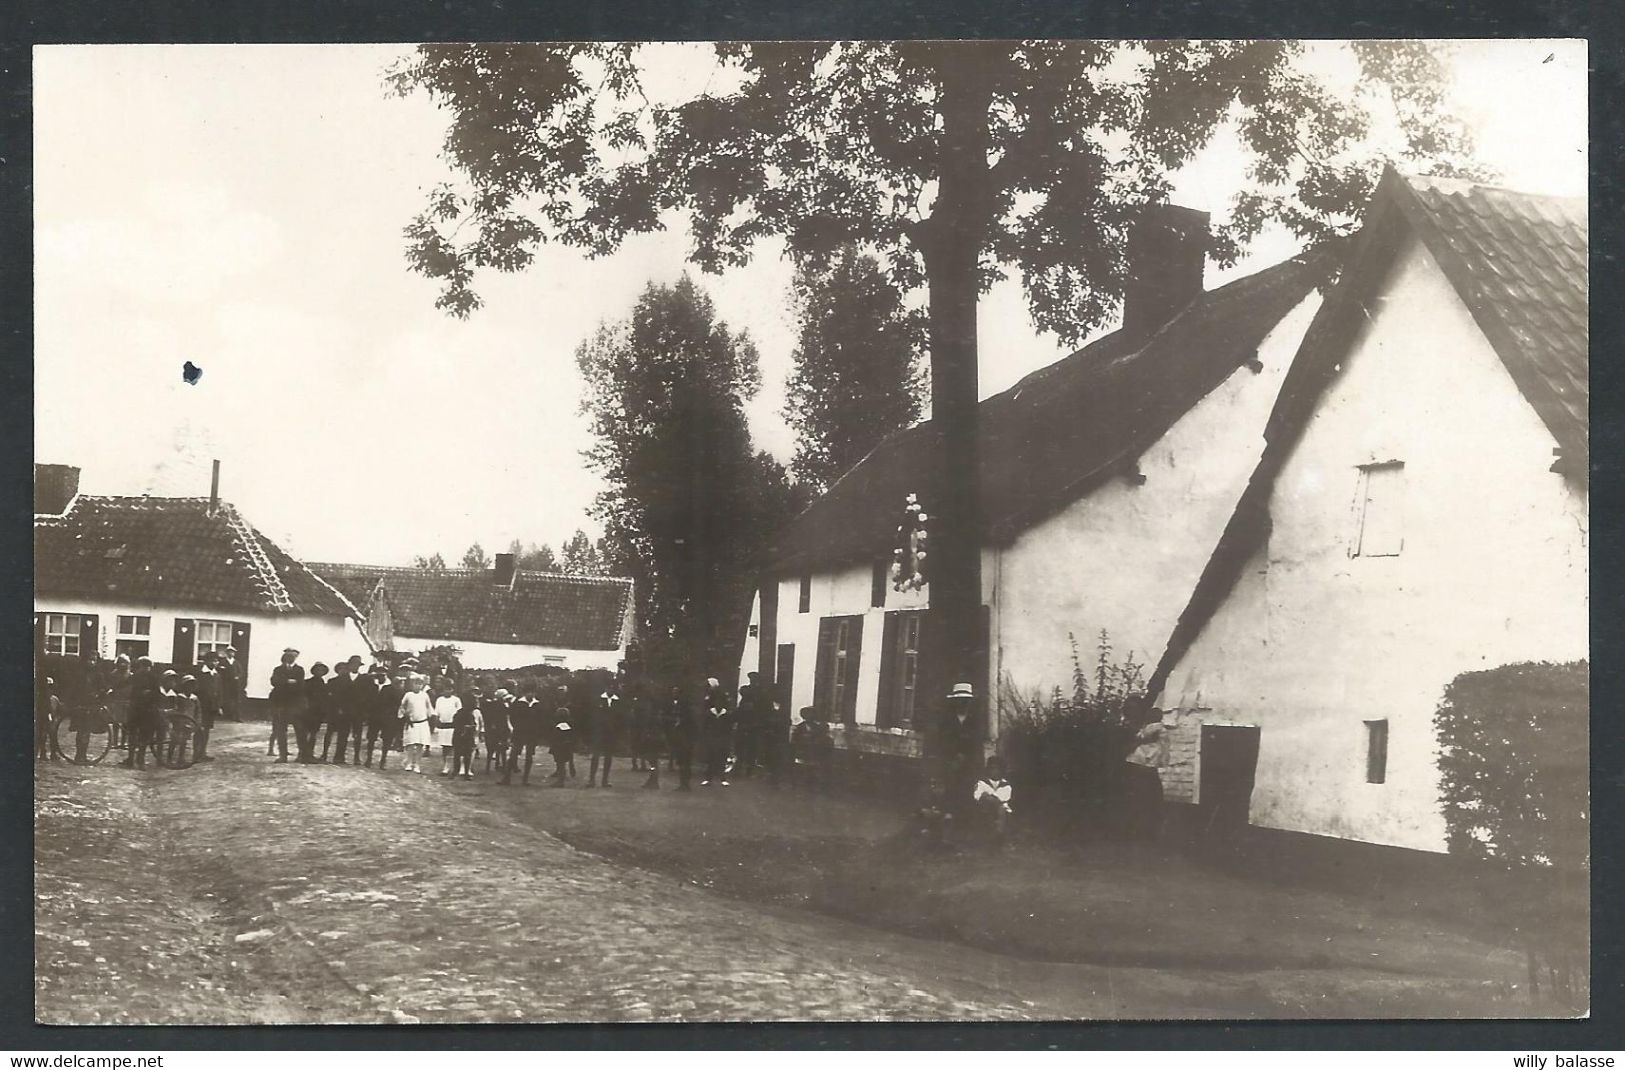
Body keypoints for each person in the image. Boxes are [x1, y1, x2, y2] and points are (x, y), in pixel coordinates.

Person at [934, 682, 983, 816]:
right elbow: (941, 742)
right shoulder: (946, 721)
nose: (963, 703)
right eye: (960, 700)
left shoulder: (975, 721)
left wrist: (966, 757)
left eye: (966, 701)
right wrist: (952, 758)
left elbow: (977, 745)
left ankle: (963, 823)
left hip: (969, 766)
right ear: (955, 702)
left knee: (967, 794)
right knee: (949, 793)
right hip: (950, 764)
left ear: (969, 702)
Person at [503, 681, 545, 785]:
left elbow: (541, 719)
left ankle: (525, 780)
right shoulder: (518, 703)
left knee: (529, 756)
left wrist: (538, 731)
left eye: (533, 692)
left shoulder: (537, 704)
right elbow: (512, 717)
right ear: (525, 693)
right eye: (529, 692)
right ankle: (506, 778)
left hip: (532, 734)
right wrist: (516, 728)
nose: (531, 694)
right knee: (514, 754)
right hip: (519, 732)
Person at [268, 648, 306, 764]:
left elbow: (300, 685)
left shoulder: (299, 670)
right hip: (280, 705)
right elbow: (274, 681)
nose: (288, 660)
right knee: (281, 731)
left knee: (299, 730)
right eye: (286, 658)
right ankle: (282, 755)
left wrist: (283, 682)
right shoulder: (278, 669)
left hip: (295, 705)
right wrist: (289, 681)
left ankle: (301, 755)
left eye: (291, 658)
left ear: (294, 658)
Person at [121, 658, 160, 770]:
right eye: (143, 666)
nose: (145, 669)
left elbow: (157, 693)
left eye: (147, 667)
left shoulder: (153, 678)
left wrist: (149, 694)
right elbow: (124, 684)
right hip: (135, 709)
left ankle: (140, 760)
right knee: (132, 734)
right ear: (140, 667)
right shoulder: (135, 676)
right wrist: (112, 689)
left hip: (148, 711)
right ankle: (130, 759)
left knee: (145, 736)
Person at [323, 656, 363, 764]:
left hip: (358, 712)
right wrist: (340, 708)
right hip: (344, 712)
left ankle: (356, 757)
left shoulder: (364, 679)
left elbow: (367, 696)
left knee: (357, 735)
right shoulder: (341, 679)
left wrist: (363, 710)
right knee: (343, 735)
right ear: (349, 665)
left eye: (357, 665)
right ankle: (339, 757)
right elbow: (337, 696)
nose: (355, 666)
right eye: (353, 664)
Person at [362, 664, 402, 769]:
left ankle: (383, 760)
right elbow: (367, 701)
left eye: (382, 675)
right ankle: (369, 759)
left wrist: (390, 715)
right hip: (374, 717)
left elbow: (397, 704)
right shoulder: (372, 687)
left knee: (386, 739)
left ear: (386, 675)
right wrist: (368, 714)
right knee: (371, 738)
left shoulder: (392, 688)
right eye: (378, 675)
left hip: (387, 718)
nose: (380, 677)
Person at [587, 677, 624, 788]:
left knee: (608, 757)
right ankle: (591, 779)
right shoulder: (598, 700)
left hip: (611, 735)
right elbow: (592, 717)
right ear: (605, 688)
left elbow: (621, 719)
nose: (610, 690)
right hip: (599, 734)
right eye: (608, 688)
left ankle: (605, 780)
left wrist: (617, 732)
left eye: (612, 688)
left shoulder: (618, 702)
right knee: (595, 756)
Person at [790, 706, 834, 792]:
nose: (809, 718)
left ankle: (811, 786)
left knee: (813, 770)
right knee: (802, 770)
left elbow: (822, 740)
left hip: (813, 753)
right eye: (806, 715)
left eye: (811, 715)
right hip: (802, 753)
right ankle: (800, 786)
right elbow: (795, 741)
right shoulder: (799, 728)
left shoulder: (818, 728)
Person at [972, 756, 1014, 844]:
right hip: (984, 807)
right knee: (988, 804)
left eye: (996, 768)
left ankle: (999, 835)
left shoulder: (1005, 784)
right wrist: (988, 797)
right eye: (991, 768)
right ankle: (991, 836)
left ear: (1001, 770)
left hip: (1000, 808)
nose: (994, 771)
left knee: (1002, 809)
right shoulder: (982, 782)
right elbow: (977, 795)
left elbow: (1004, 797)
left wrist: (990, 795)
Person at [700, 677, 733, 787]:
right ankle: (708, 778)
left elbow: (729, 725)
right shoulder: (710, 713)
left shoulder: (725, 714)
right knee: (710, 755)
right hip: (712, 735)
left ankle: (722, 777)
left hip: (722, 736)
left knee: (722, 756)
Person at [662, 684, 696, 790]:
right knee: (680, 760)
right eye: (673, 692)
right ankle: (683, 783)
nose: (674, 694)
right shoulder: (668, 704)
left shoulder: (686, 705)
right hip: (673, 734)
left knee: (685, 761)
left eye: (676, 692)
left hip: (684, 736)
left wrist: (681, 722)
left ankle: (685, 783)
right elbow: (664, 716)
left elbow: (690, 719)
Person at [734, 672, 767, 779]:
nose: (753, 681)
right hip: (745, 723)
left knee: (752, 748)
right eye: (752, 680)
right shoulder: (747, 690)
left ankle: (749, 770)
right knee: (740, 747)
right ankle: (739, 768)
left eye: (755, 680)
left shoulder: (760, 693)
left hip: (754, 724)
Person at [399, 673, 433, 773]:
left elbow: (429, 708)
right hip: (412, 723)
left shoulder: (425, 695)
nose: (417, 686)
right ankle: (409, 763)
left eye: (420, 684)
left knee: (420, 744)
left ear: (422, 685)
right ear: (412, 684)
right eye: (415, 683)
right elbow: (402, 707)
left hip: (422, 723)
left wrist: (432, 717)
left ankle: (417, 764)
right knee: (410, 744)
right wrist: (405, 716)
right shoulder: (408, 695)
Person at [431, 677, 464, 777]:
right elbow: (436, 713)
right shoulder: (439, 700)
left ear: (452, 689)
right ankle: (446, 767)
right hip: (443, 727)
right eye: (445, 688)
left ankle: (461, 768)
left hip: (453, 727)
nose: (447, 691)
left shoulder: (456, 700)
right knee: (445, 748)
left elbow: (460, 713)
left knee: (456, 748)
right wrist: (436, 723)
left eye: (449, 689)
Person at [298, 662, 330, 764]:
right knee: (304, 733)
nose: (320, 672)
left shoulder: (323, 684)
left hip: (318, 712)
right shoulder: (307, 682)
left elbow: (325, 699)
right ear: (314, 671)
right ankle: (302, 754)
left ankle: (309, 754)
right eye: (318, 670)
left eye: (322, 670)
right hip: (308, 712)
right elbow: (302, 696)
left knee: (313, 734)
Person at [194, 650, 222, 762]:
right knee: (198, 729)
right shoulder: (200, 674)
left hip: (211, 707)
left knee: (206, 730)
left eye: (216, 661)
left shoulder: (217, 675)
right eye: (213, 661)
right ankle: (196, 754)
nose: (215, 663)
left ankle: (203, 752)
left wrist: (219, 706)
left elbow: (220, 691)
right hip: (201, 706)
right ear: (207, 661)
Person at [484, 685, 513, 775]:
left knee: (494, 749)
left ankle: (492, 766)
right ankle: (502, 766)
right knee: (502, 748)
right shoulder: (501, 706)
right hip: (499, 729)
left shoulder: (494, 705)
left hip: (497, 728)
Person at [450, 690, 480, 779]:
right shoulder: (460, 713)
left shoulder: (473, 713)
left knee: (467, 754)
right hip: (460, 735)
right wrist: (465, 727)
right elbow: (455, 723)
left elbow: (475, 725)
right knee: (458, 754)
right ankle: (456, 770)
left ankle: (466, 771)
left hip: (468, 736)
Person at [548, 705, 576, 784]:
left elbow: (555, 738)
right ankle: (562, 777)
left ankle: (560, 781)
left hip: (559, 747)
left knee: (560, 764)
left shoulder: (558, 727)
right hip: (567, 747)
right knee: (562, 763)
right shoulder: (569, 726)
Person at [219, 647, 242, 722]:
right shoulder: (223, 662)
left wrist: (237, 677)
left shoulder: (237, 663)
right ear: (227, 653)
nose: (231, 654)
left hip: (235, 684)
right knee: (226, 699)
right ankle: (226, 716)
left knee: (236, 700)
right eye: (229, 652)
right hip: (226, 684)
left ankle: (237, 717)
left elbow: (241, 672)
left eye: (233, 652)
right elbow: (220, 672)